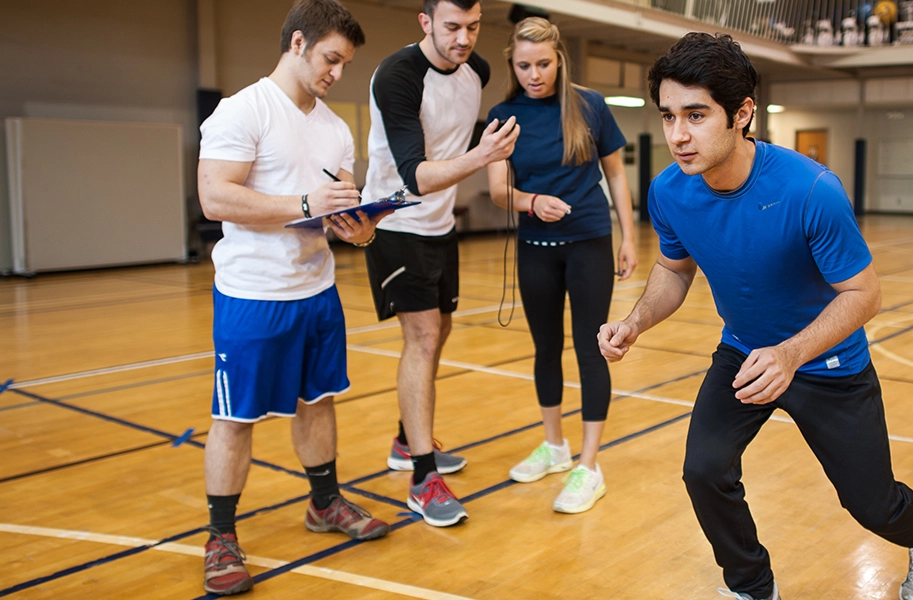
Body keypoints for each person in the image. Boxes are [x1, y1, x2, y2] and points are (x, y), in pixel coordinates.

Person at [599, 33, 913, 600]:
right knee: (704, 470)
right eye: (667, 116)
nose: (678, 135)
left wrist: (791, 354)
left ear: (742, 114)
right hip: (744, 351)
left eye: (695, 115)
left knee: (871, 504)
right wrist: (634, 322)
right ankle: (753, 588)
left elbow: (864, 295)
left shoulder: (810, 190)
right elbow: (674, 270)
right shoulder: (669, 191)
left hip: (828, 364)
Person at [195, 0, 388, 595]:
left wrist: (358, 228)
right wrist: (305, 207)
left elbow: (336, 211)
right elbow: (216, 199)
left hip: (317, 290)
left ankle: (324, 504)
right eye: (331, 58)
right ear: (298, 43)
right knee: (236, 418)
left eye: (345, 64)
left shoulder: (333, 128)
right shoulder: (242, 111)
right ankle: (221, 537)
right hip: (253, 294)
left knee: (319, 401)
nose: (336, 72)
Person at [364, 0, 519, 527]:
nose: (464, 38)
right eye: (452, 27)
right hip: (395, 222)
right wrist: (484, 156)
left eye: (473, 27)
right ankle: (422, 477)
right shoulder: (397, 76)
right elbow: (414, 176)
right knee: (423, 337)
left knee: (443, 329)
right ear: (426, 22)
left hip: (440, 226)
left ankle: (407, 442)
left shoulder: (477, 71)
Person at [485, 17, 639, 514]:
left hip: (590, 241)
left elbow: (616, 176)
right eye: (525, 65)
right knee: (545, 348)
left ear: (559, 60)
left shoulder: (590, 105)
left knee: (591, 350)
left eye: (544, 64)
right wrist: (530, 202)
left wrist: (630, 237)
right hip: (535, 247)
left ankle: (589, 466)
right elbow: (496, 191)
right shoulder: (503, 115)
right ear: (512, 62)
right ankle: (555, 446)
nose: (535, 74)